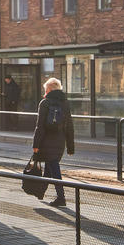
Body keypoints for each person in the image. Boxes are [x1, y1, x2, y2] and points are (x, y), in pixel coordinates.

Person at [31, 77, 75, 208]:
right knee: (50, 166)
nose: (45, 91)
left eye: (45, 89)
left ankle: (61, 197)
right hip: (60, 142)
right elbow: (69, 126)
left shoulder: (45, 103)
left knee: (54, 168)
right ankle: (41, 192)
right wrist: (70, 147)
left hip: (46, 141)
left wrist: (36, 145)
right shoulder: (65, 103)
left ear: (49, 89)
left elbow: (40, 126)